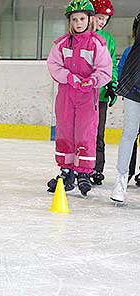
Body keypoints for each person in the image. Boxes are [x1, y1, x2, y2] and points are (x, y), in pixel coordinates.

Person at [46, 0, 112, 197]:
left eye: (82, 18)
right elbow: (54, 65)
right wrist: (70, 78)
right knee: (65, 130)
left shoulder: (97, 44)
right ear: (70, 22)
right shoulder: (61, 44)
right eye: (74, 19)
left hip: (87, 96)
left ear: (90, 20)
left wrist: (93, 80)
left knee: (86, 132)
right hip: (66, 93)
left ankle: (83, 172)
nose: (78, 23)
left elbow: (105, 69)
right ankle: (66, 171)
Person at [111, 12, 140, 203]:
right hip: (134, 93)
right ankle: (120, 181)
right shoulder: (131, 51)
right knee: (129, 133)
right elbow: (122, 72)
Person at [88, 0, 118, 185]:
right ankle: (81, 166)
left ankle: (97, 169)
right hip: (82, 95)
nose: (102, 23)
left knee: (99, 133)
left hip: (100, 96)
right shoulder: (81, 36)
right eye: (99, 18)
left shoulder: (109, 40)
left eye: (105, 19)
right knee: (83, 133)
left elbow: (112, 64)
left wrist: (112, 85)